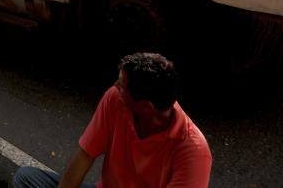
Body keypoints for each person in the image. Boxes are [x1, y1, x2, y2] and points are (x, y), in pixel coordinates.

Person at [13, 53, 212, 188]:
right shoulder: (115, 99)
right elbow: (85, 156)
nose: (116, 86)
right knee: (26, 177)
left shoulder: (193, 151)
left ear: (146, 107)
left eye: (123, 86)